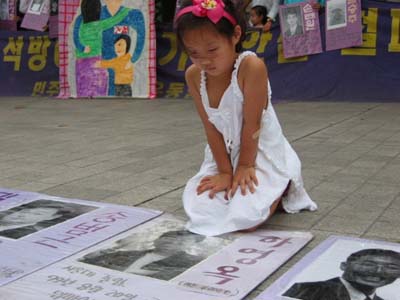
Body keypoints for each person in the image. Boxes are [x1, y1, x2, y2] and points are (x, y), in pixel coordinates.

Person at [175, 0, 317, 236]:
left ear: (235, 35)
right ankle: (246, 183)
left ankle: (282, 184)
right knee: (201, 206)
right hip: (224, 154)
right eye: (194, 53)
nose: (205, 61)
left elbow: (253, 124)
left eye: (212, 50)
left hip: (258, 150)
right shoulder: (193, 75)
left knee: (246, 216)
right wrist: (224, 172)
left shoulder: (251, 67)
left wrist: (244, 166)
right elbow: (211, 129)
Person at [79, 230, 206, 280]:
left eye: (182, 241)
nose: (173, 242)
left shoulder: (193, 263)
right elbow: (88, 263)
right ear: (157, 240)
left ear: (188, 246)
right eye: (168, 238)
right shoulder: (125, 254)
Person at [283, 248, 400, 300]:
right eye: (368, 264)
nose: (378, 271)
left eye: (391, 267)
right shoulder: (305, 290)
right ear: (343, 266)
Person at [72, 0, 130, 97]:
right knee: (94, 81)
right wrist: (124, 12)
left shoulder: (83, 20)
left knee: (90, 82)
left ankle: (89, 98)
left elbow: (75, 36)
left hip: (88, 58)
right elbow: (112, 21)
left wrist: (82, 48)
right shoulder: (94, 23)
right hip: (88, 59)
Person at [0, 200, 95, 239]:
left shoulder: (25, 234)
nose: (21, 215)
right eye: (23, 212)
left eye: (37, 214)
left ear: (52, 217)